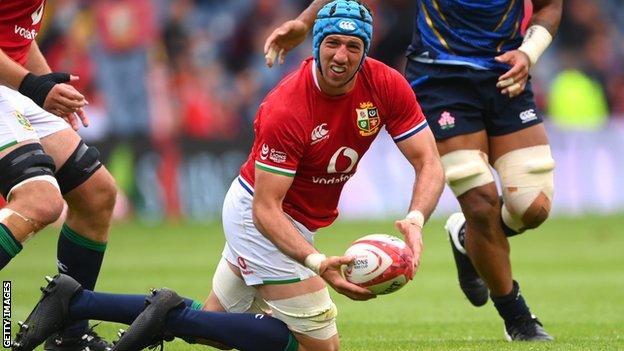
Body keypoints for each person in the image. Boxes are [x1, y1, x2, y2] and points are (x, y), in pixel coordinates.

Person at [13, 1, 444, 350]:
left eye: (353, 46)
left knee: (208, 328)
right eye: (332, 43)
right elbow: (266, 209)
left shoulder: (386, 84)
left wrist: (416, 218)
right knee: (317, 349)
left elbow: (428, 162)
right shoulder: (288, 107)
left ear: (366, 49)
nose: (341, 56)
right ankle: (162, 311)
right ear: (315, 45)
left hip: (291, 218)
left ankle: (75, 301)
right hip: (261, 218)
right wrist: (315, 263)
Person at [265, 0, 562, 342]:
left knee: (532, 207)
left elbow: (550, 5)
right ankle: (518, 318)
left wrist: (529, 52)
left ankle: (467, 237)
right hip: (441, 78)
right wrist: (305, 21)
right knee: (481, 204)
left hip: (506, 73)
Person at [0, 1, 117, 350]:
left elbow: (18, 33)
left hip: (10, 88)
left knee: (97, 193)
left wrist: (46, 89)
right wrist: (35, 87)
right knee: (40, 201)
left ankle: (68, 335)